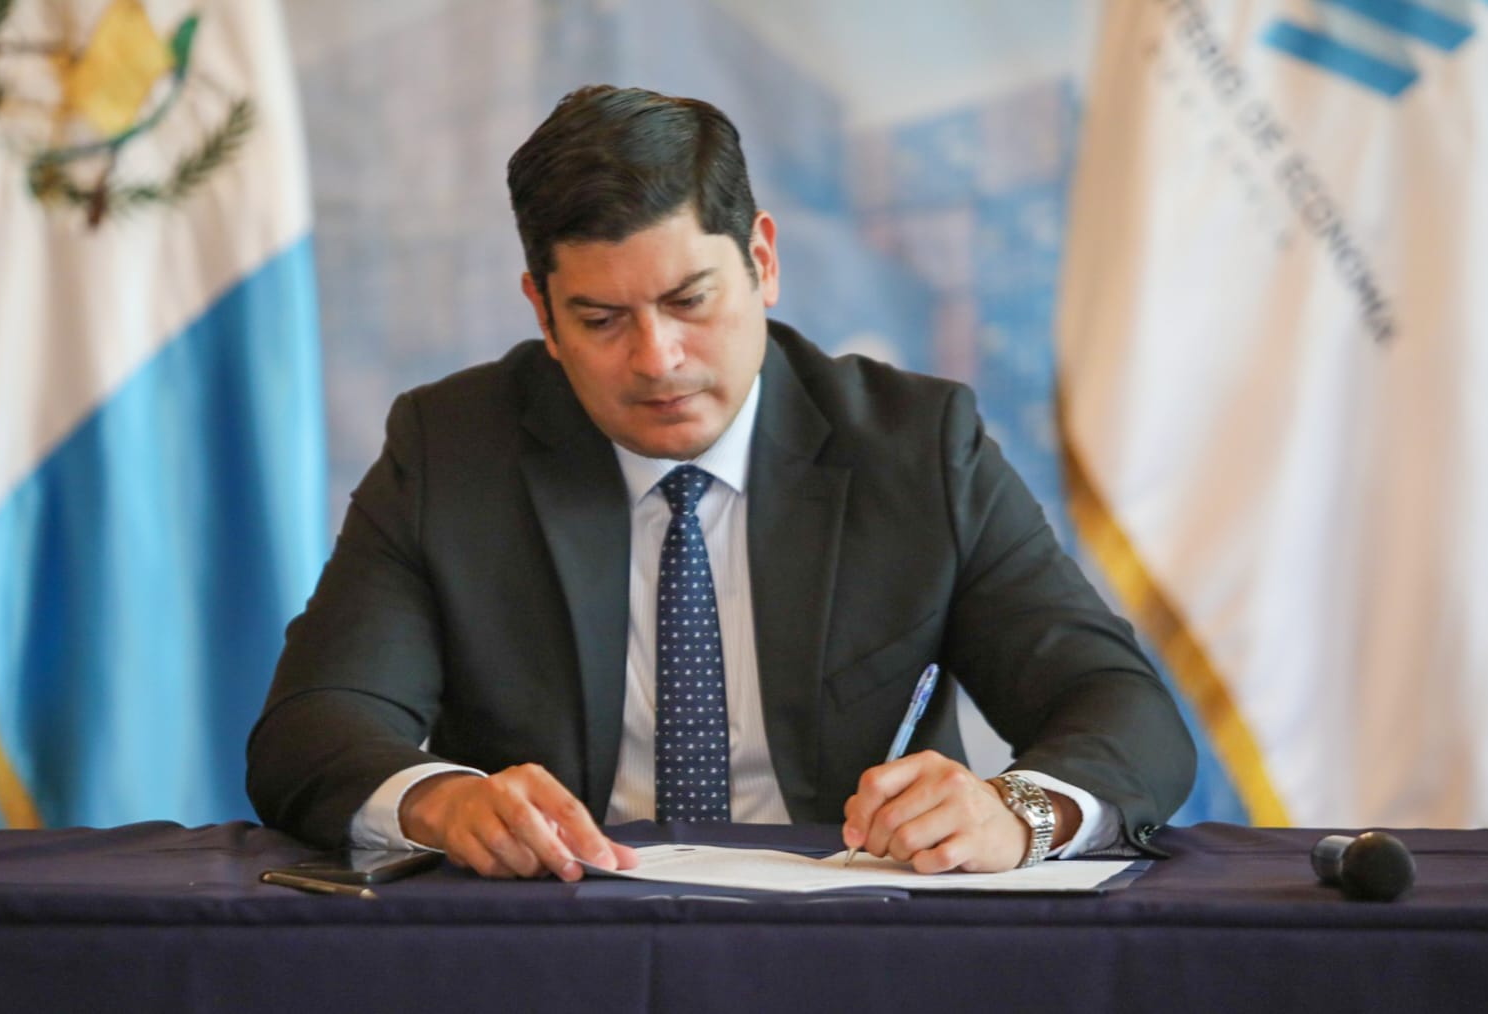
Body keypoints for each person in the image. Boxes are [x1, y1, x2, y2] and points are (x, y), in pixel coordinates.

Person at [246, 84, 1195, 882]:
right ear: (544, 314)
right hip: (559, 934)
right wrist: (442, 801)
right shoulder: (452, 451)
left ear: (763, 262)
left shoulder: (916, 449)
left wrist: (1016, 809)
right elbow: (313, 727)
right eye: (602, 319)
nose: (657, 358)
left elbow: (1124, 710)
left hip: (850, 940)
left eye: (689, 301)